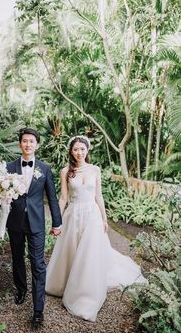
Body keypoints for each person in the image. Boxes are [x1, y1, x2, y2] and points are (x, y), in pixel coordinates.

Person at [46, 135, 146, 322]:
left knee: (89, 253)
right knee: (71, 250)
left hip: (92, 215)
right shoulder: (66, 170)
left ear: (87, 150)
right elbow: (63, 198)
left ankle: (85, 291)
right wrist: (56, 220)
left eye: (82, 149)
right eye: (76, 149)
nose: (79, 152)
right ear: (71, 151)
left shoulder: (95, 170)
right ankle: (66, 283)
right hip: (73, 215)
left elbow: (98, 196)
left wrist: (104, 218)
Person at [6, 128, 62, 329]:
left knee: (38, 263)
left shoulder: (45, 168)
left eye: (31, 141)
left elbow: (52, 198)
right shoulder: (9, 167)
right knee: (17, 257)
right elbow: (3, 196)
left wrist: (57, 222)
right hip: (15, 222)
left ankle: (38, 310)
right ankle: (21, 289)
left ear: (37, 145)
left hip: (37, 223)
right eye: (24, 141)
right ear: (20, 144)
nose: (28, 144)